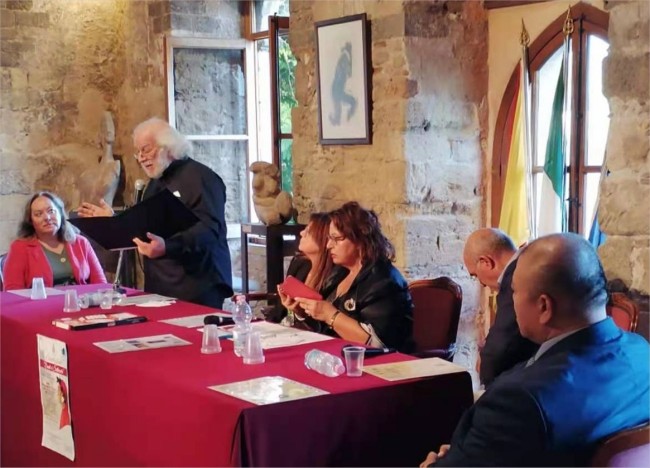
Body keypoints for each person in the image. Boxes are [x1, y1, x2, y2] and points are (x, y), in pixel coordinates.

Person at [422, 233, 650, 467]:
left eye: (513, 291)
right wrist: (474, 450)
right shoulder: (643, 352)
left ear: (544, 306)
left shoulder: (517, 400)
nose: (510, 301)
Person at [78, 117, 233, 308]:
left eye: (146, 149)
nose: (141, 158)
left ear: (168, 145)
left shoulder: (200, 178)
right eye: (138, 152)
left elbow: (209, 230)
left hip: (197, 284)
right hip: (161, 286)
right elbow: (147, 227)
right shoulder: (155, 182)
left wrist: (167, 247)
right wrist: (114, 222)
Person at [295, 202, 414, 352]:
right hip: (334, 355)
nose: (328, 245)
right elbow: (323, 328)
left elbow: (377, 343)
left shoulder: (384, 281)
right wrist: (301, 312)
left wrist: (331, 315)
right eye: (329, 238)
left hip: (377, 362)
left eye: (336, 238)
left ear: (359, 239)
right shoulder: (339, 273)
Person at [463, 228, 538, 387]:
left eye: (475, 275)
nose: (482, 284)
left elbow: (500, 349)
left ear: (486, 262)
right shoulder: (529, 261)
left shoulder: (516, 277)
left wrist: (485, 367)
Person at [3, 191, 107, 290]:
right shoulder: (19, 248)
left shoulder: (81, 243)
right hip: (41, 302)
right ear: (31, 221)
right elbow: (12, 292)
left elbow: (101, 283)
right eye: (38, 214)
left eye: (51, 211)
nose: (47, 218)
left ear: (60, 213)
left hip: (80, 300)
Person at [274, 212, 333, 327]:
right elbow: (283, 313)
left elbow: (322, 324)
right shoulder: (299, 263)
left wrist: (299, 313)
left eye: (308, 231)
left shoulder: (334, 276)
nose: (301, 233)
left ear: (323, 239)